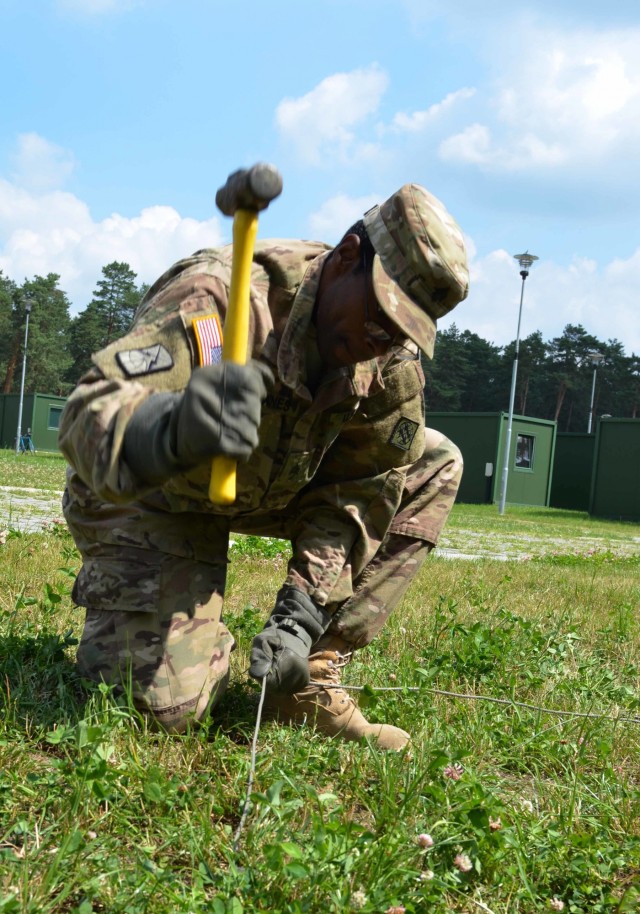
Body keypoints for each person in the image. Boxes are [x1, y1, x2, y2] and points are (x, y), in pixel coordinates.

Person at [59, 182, 468, 750]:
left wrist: (301, 618)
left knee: (432, 459)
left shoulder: (387, 364)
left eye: (402, 331)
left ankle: (304, 680)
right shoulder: (217, 300)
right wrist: (168, 430)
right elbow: (90, 412)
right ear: (347, 258)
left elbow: (357, 492)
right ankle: (200, 652)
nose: (382, 340)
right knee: (163, 709)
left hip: (276, 487)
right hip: (161, 494)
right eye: (380, 314)